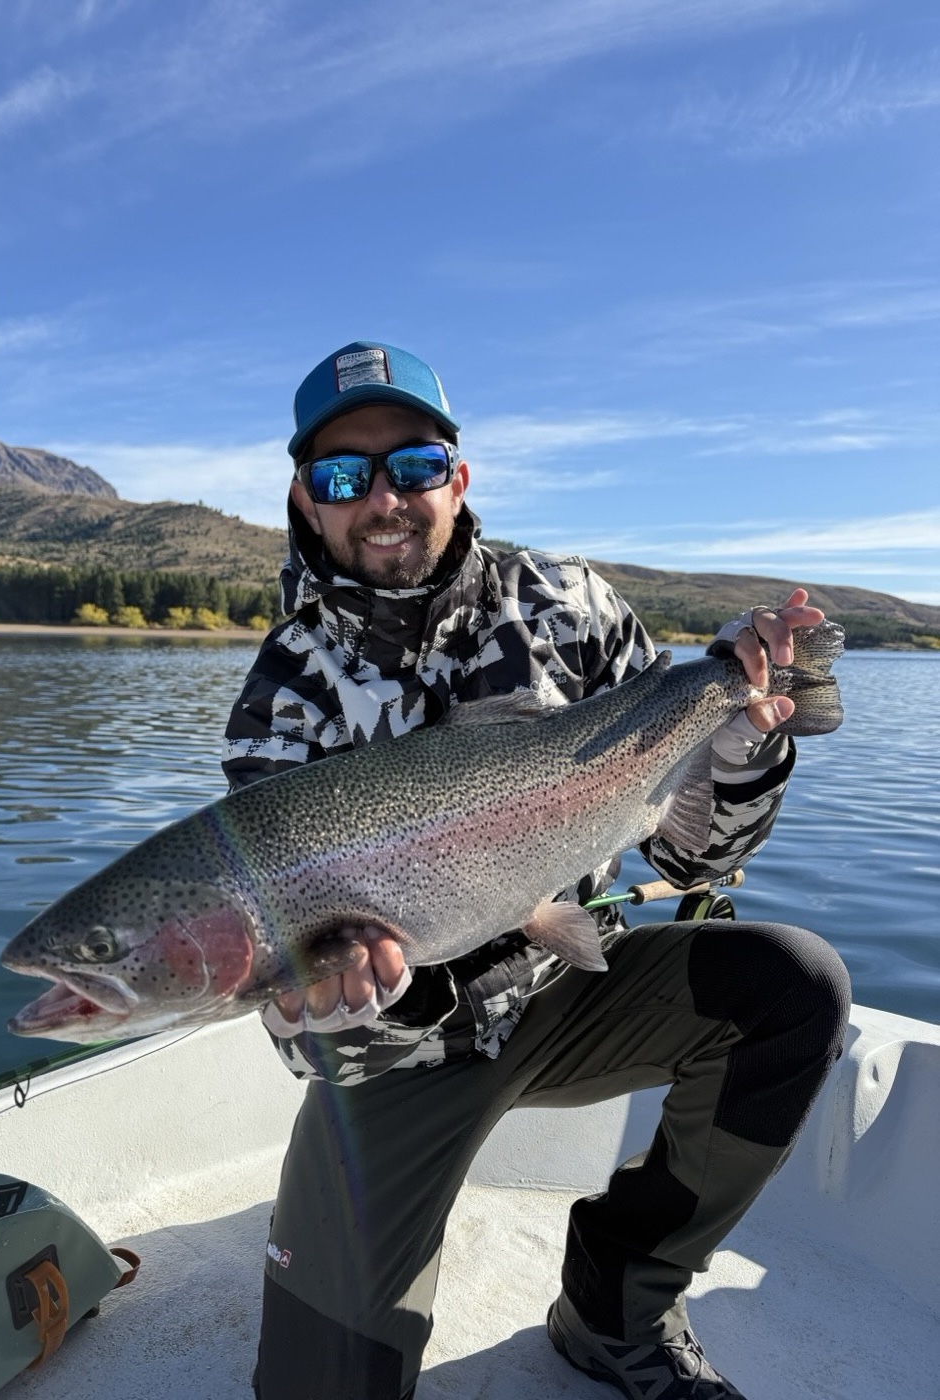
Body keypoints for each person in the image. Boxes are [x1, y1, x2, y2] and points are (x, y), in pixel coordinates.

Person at [222, 341, 852, 1400]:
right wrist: (375, 987)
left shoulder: (571, 604)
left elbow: (692, 855)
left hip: (566, 990)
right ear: (307, 499)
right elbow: (305, 1015)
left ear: (456, 476)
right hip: (398, 1064)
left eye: (413, 464)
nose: (383, 497)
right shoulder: (285, 694)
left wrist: (745, 742)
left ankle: (615, 1302)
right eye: (344, 475)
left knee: (794, 984)